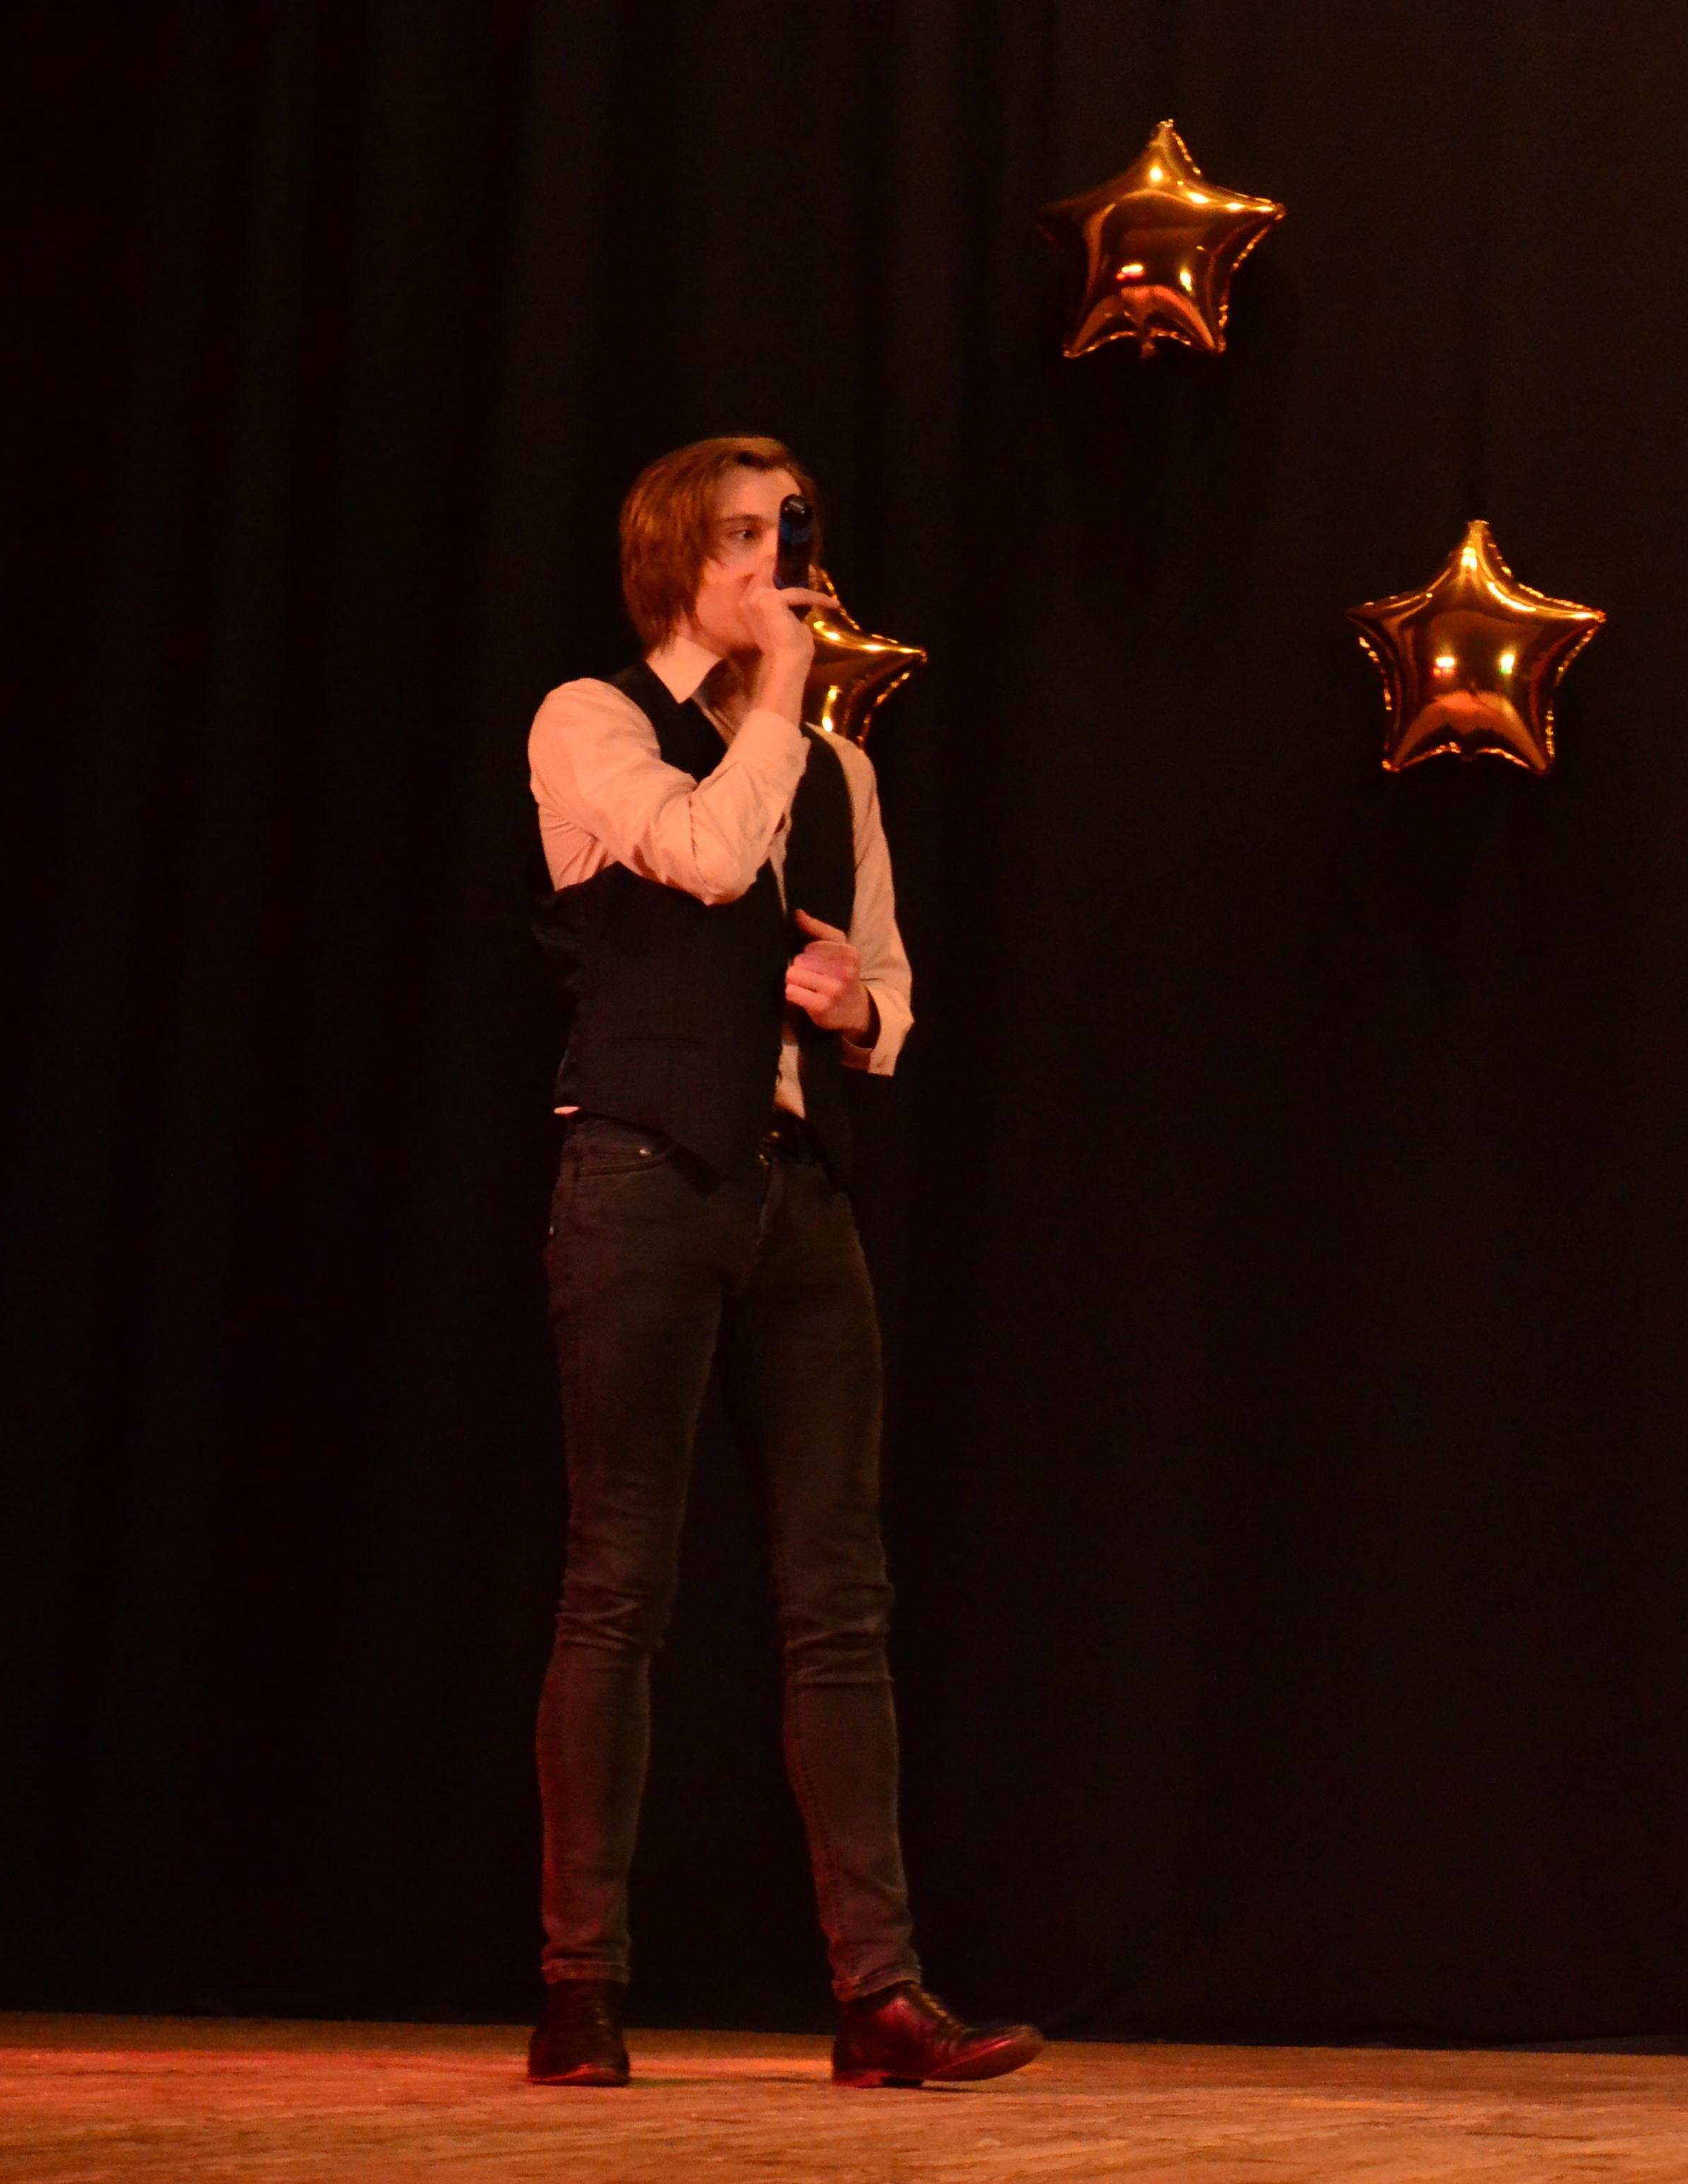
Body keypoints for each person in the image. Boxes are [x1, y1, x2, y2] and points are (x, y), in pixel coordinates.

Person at [520, 435, 1040, 2092]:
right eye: (743, 534)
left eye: (791, 534)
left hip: (793, 1194)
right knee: (620, 1584)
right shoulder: (589, 720)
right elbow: (704, 856)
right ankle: (580, 1987)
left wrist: (855, 1008)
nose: (775, 563)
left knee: (840, 1601)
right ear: (679, 555)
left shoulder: (839, 774)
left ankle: (878, 1998)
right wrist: (782, 697)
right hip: (641, 1175)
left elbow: (888, 988)